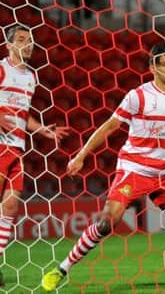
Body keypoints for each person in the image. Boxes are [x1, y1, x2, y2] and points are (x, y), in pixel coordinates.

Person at [41, 43, 165, 293]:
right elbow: (110, 126)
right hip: (133, 169)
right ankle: (62, 269)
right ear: (152, 67)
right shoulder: (139, 96)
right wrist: (81, 156)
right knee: (106, 223)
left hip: (162, 175)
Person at [0, 24, 70, 287]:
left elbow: (22, 115)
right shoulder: (2, 68)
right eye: (20, 40)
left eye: (30, 40)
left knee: (10, 205)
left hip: (15, 148)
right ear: (8, 45)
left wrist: (42, 131)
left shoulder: (29, 77)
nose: (27, 44)